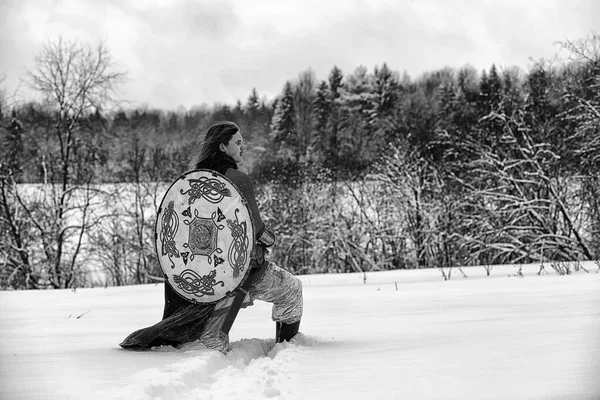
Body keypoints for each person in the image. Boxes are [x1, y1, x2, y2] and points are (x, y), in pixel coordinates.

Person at [120, 121, 303, 353]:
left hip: (197, 276)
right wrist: (270, 239)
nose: (243, 146)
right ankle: (289, 351)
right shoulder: (238, 179)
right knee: (291, 290)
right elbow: (256, 230)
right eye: (238, 142)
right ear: (223, 147)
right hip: (240, 272)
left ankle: (204, 337)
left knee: (211, 340)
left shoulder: (191, 179)